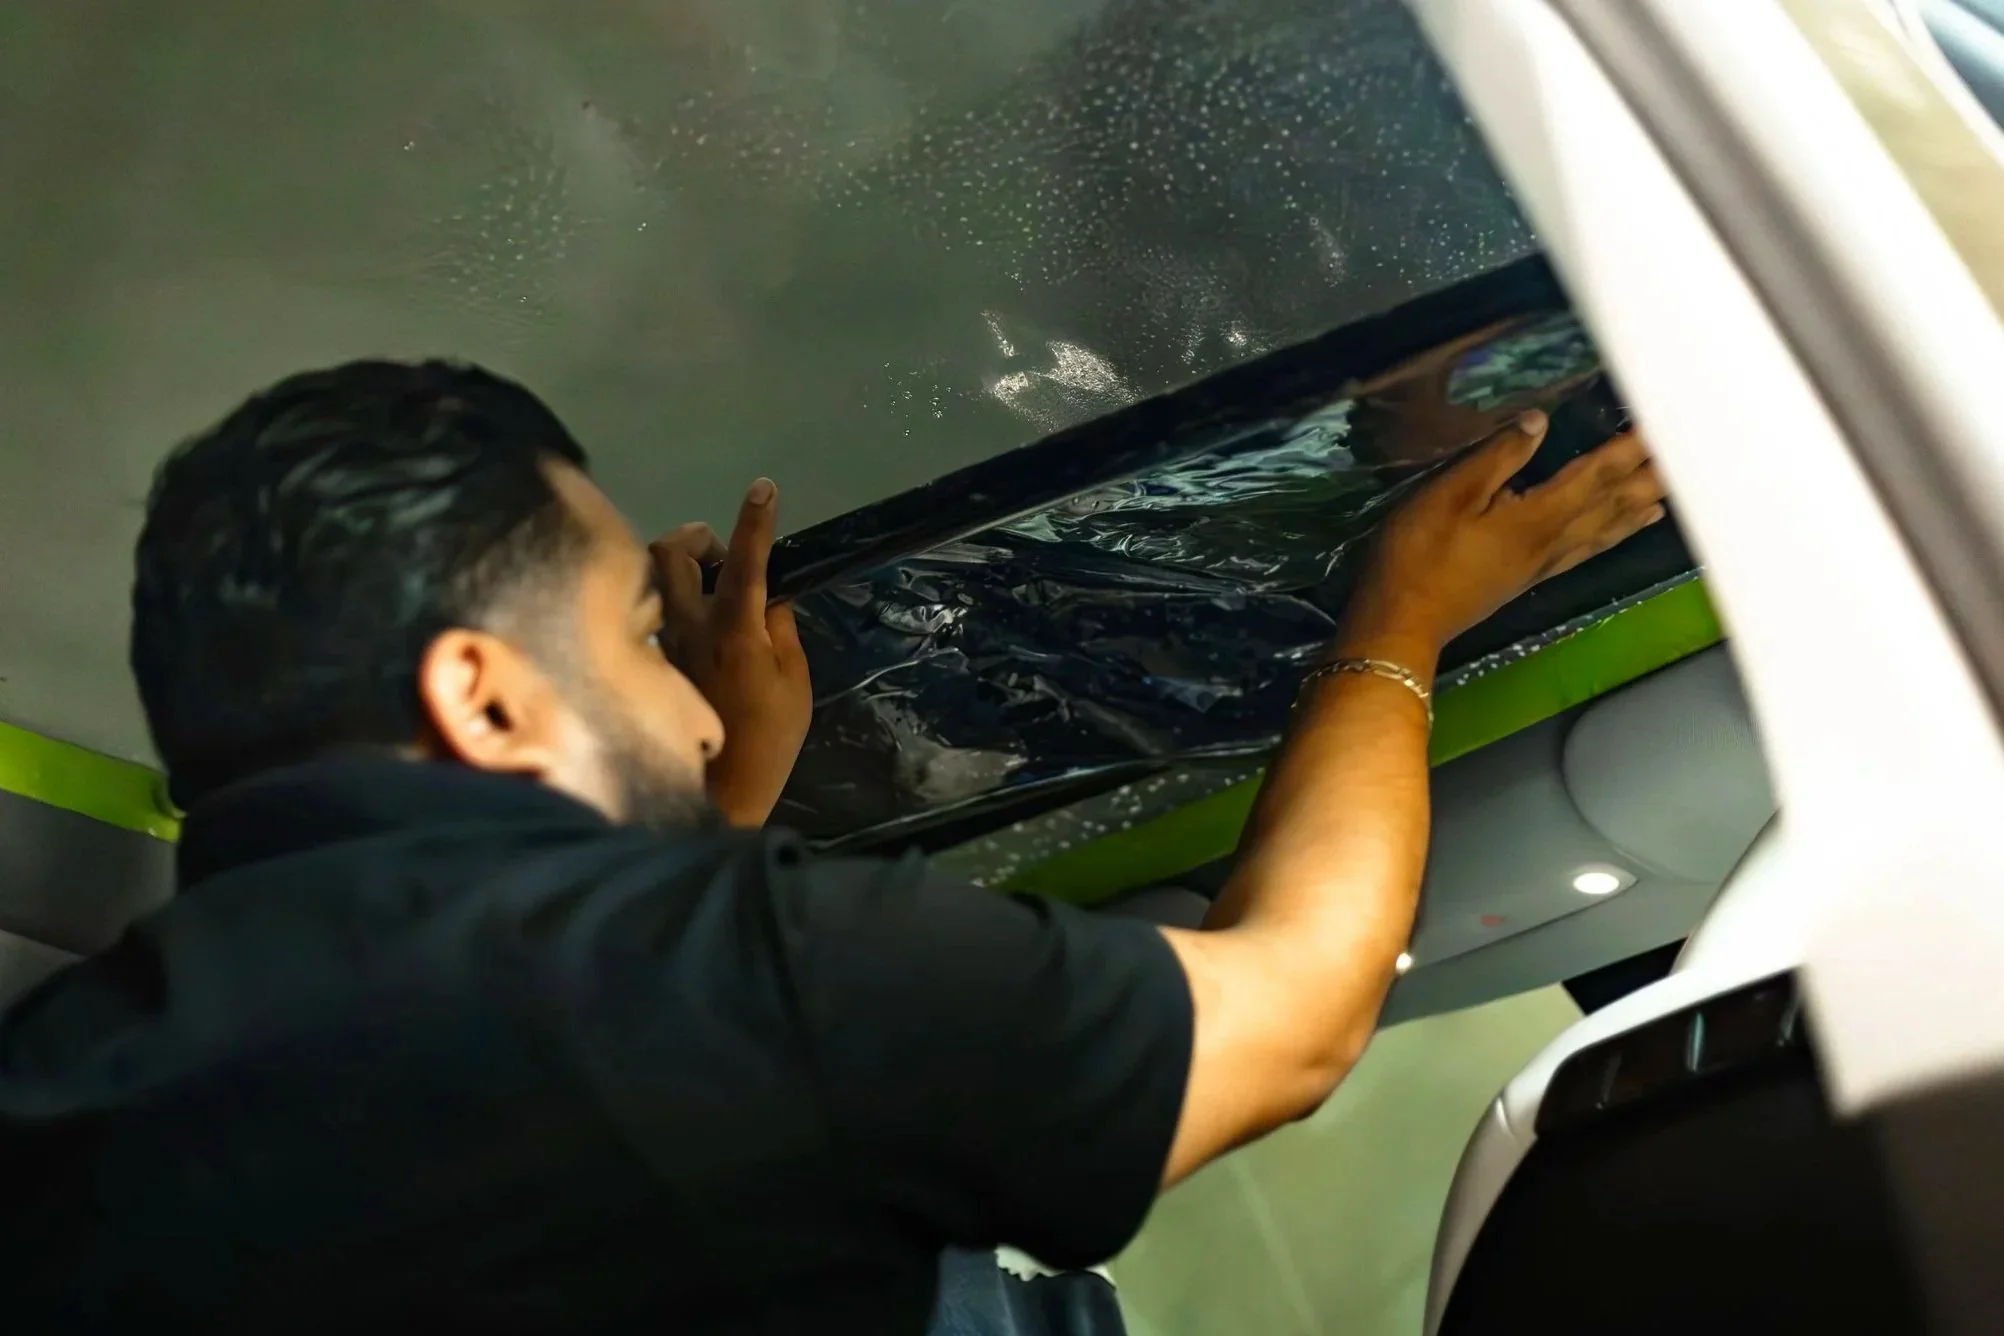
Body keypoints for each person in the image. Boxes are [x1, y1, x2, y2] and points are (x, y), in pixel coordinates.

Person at [0, 360, 1665, 1332]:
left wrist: (704, 820)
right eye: (637, 638)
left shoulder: (59, 1096)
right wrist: (1404, 622)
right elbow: (1292, 1012)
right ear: (485, 698)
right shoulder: (723, 993)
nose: (706, 713)